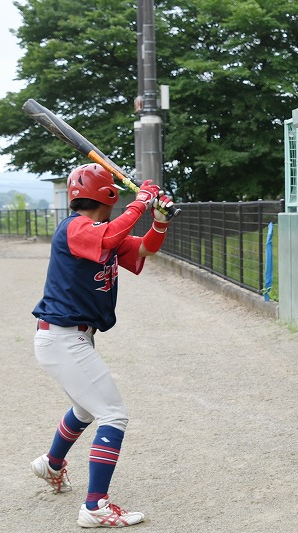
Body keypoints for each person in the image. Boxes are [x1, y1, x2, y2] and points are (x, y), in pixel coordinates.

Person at [31, 164, 175, 528]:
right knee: (113, 414)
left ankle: (51, 463)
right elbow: (110, 237)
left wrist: (159, 221)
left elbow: (143, 248)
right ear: (107, 196)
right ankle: (95, 506)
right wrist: (141, 202)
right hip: (63, 337)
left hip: (71, 337)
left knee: (85, 409)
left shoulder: (99, 232)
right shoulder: (76, 227)